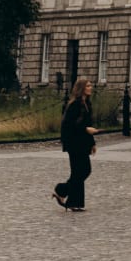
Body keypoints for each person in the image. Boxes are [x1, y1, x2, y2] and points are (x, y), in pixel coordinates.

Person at [53, 77, 99, 212]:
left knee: (81, 172)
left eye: (90, 85)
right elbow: (68, 125)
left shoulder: (87, 104)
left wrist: (92, 143)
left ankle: (68, 197)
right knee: (81, 171)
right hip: (74, 143)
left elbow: (87, 124)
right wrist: (86, 130)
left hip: (83, 142)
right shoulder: (74, 105)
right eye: (88, 86)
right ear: (81, 88)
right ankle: (63, 192)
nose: (90, 88)